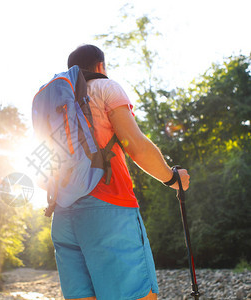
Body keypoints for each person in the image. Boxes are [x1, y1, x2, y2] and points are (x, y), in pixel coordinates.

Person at [50, 44, 190, 300]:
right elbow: (134, 145)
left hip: (63, 217)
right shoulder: (104, 87)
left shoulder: (59, 107)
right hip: (108, 209)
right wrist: (172, 177)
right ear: (100, 66)